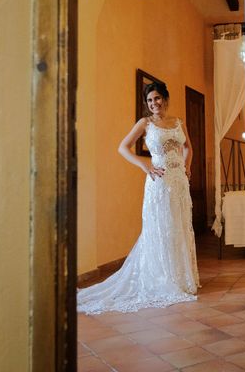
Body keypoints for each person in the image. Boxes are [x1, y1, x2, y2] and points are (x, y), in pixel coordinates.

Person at [77, 81, 200, 315]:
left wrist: (188, 168)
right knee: (160, 228)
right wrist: (145, 166)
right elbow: (123, 148)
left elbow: (188, 148)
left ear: (165, 98)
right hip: (159, 183)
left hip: (180, 183)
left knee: (179, 227)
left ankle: (180, 279)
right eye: (149, 100)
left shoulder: (178, 122)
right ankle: (161, 280)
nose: (153, 104)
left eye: (157, 98)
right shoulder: (145, 123)